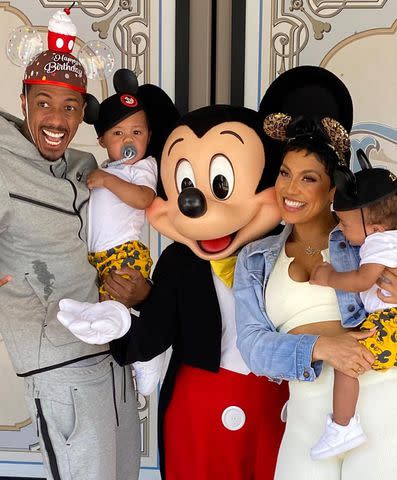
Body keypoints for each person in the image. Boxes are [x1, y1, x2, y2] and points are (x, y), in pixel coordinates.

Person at [58, 100, 290, 479]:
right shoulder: (180, 262)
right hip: (197, 407)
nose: (195, 202)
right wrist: (120, 323)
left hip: (276, 405)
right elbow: (155, 333)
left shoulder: (289, 252)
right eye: (185, 185)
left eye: (220, 185)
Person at [233, 67, 397, 480]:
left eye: (309, 178)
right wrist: (322, 347)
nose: (291, 189)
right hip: (306, 413)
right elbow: (253, 347)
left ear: (331, 190)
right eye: (285, 174)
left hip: (380, 397)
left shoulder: (367, 243)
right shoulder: (254, 259)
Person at [0, 9, 142, 480]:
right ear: (24, 102)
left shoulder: (84, 163)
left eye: (69, 107)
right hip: (58, 362)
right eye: (44, 103)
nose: (56, 119)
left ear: (84, 113)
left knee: (122, 473)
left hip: (113, 346)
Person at [81, 68, 171, 395]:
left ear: (148, 135)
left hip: (124, 252)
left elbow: (144, 198)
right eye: (118, 134)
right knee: (107, 312)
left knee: (116, 305)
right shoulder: (104, 168)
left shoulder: (141, 168)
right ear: (102, 139)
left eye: (137, 131)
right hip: (97, 258)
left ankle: (148, 355)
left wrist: (107, 181)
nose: (128, 140)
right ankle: (130, 352)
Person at [309, 158, 397, 459]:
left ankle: (343, 426)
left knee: (347, 362)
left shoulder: (378, 242)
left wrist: (328, 277)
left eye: (345, 224)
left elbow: (362, 281)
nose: (342, 230)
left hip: (390, 321)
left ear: (374, 226)